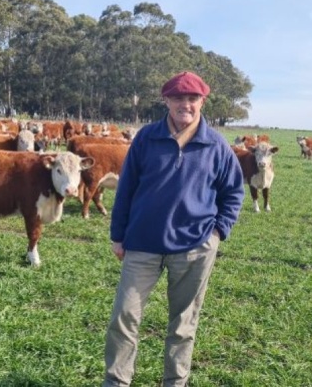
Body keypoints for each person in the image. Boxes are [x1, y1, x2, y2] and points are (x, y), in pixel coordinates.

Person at [103, 71, 245, 386]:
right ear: (166, 100)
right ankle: (116, 381)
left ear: (202, 101)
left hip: (195, 248)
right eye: (178, 98)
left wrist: (218, 232)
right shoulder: (146, 138)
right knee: (123, 317)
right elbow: (126, 188)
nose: (186, 104)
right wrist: (118, 235)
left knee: (183, 325)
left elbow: (233, 192)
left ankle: (175, 382)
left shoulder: (216, 145)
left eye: (192, 98)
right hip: (142, 243)